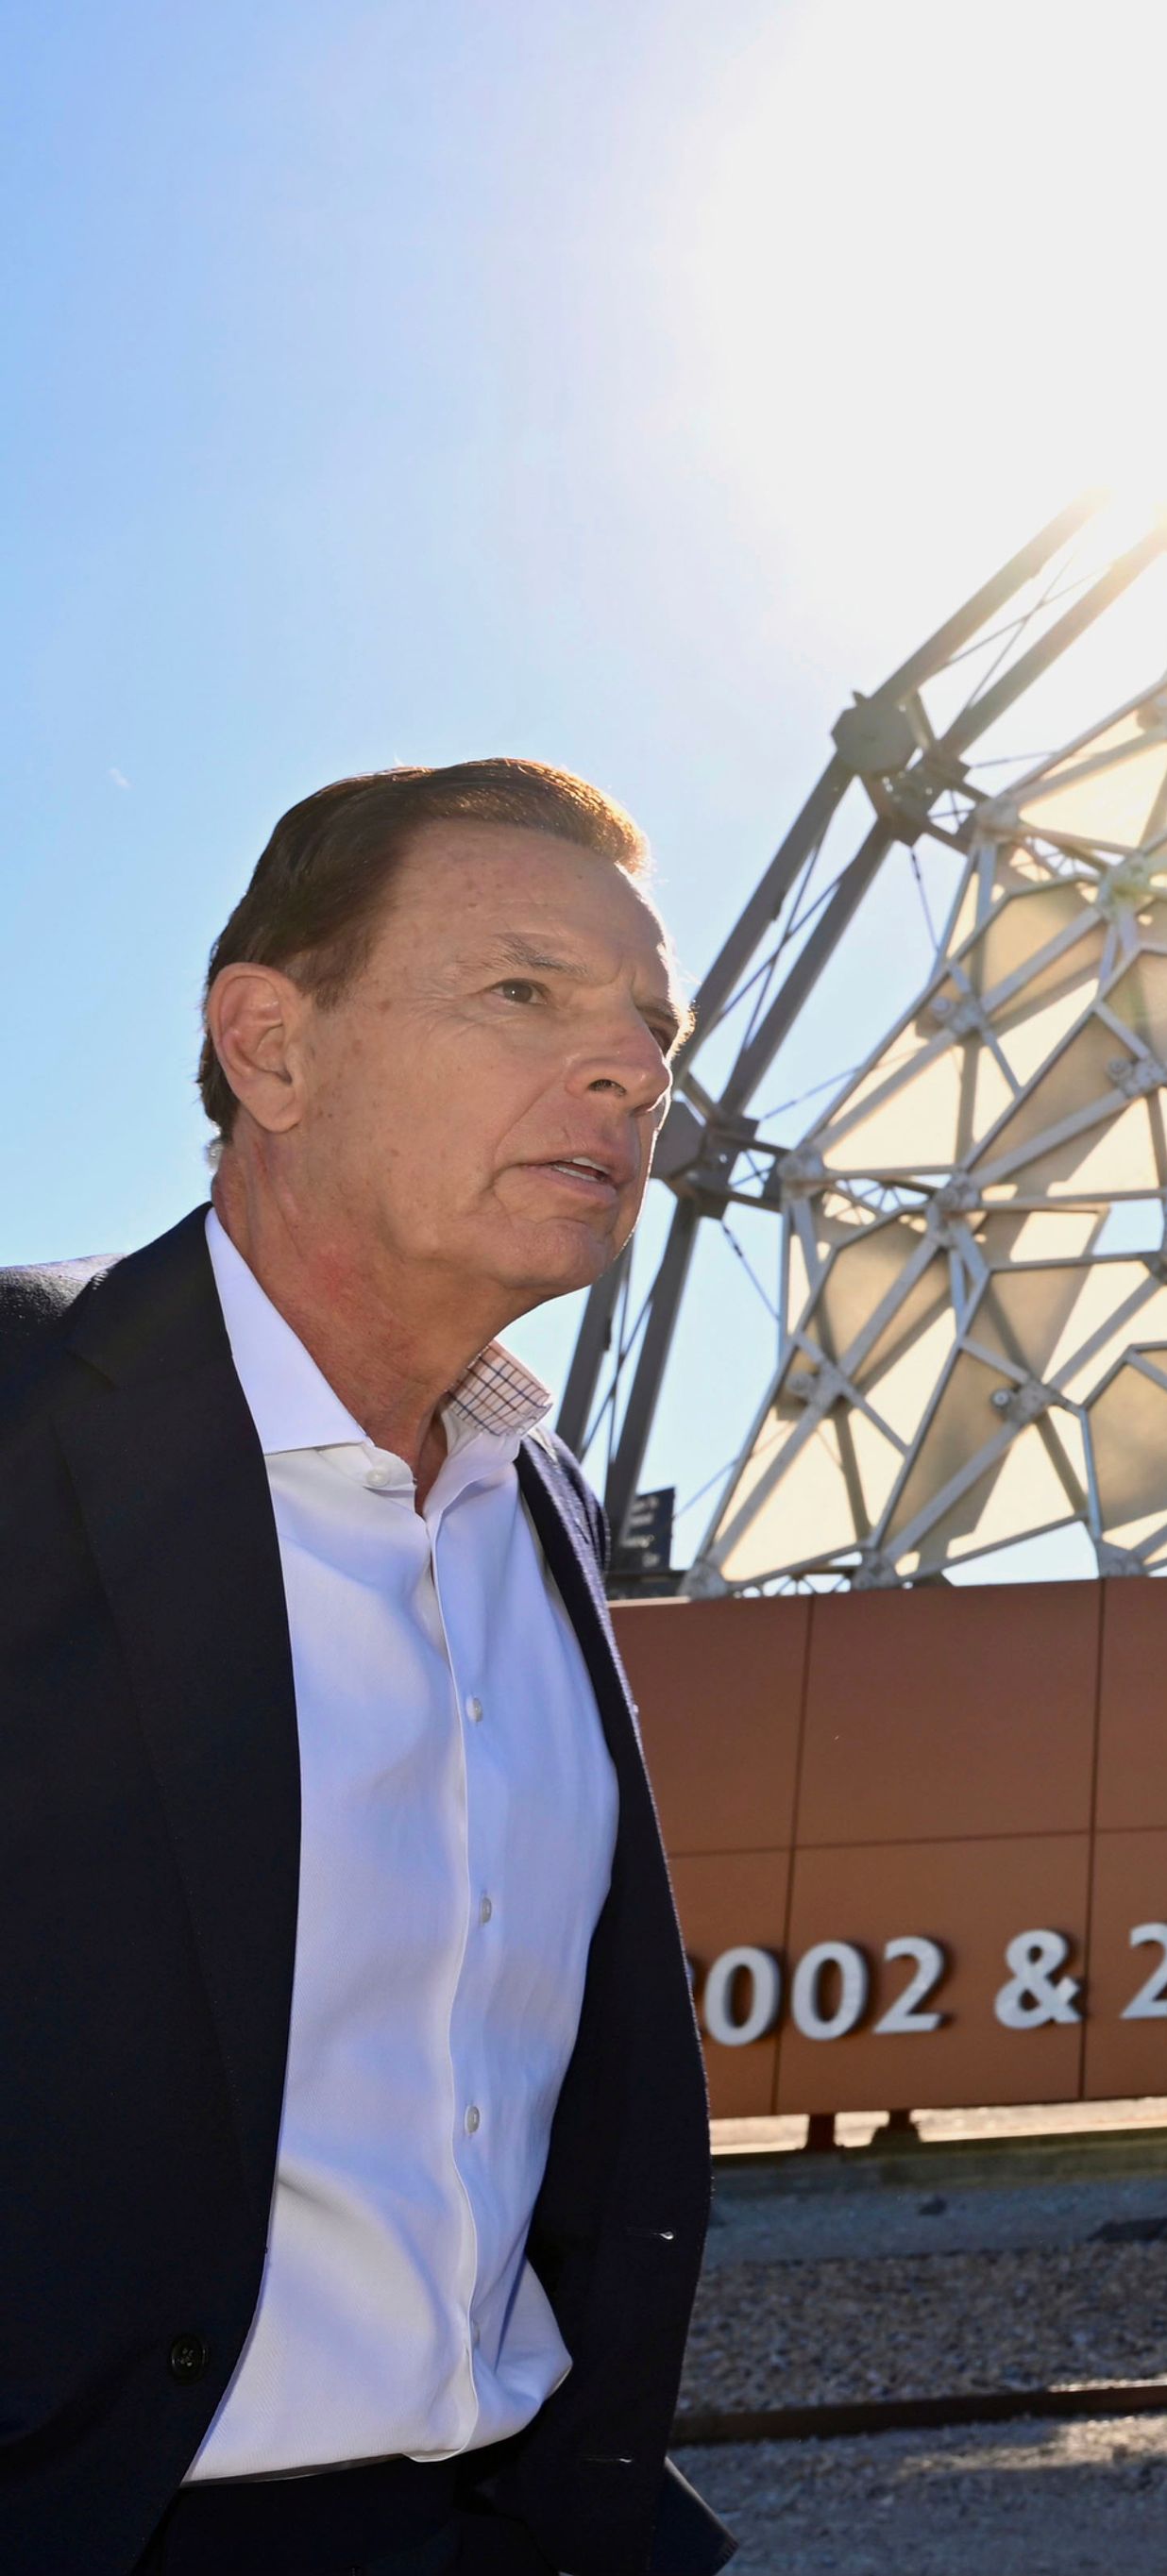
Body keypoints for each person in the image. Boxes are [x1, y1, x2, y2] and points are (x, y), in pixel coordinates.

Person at [0, 762, 733, 2574]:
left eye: (653, 1024)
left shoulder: (533, 1494)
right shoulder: (21, 1420)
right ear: (271, 1046)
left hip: (518, 2517)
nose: (633, 1068)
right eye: (525, 993)